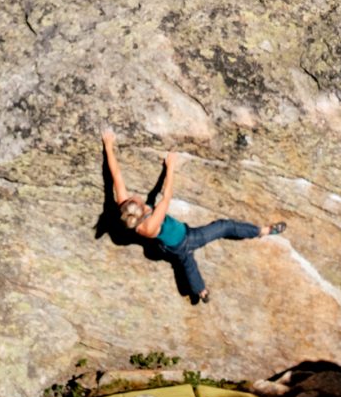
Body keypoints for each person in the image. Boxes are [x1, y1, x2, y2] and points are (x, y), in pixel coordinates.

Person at [101, 128, 285, 303]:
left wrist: (108, 146)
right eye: (137, 199)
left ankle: (201, 292)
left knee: (187, 264)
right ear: (141, 209)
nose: (134, 196)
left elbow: (116, 175)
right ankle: (263, 231)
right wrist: (170, 168)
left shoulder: (125, 209)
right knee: (223, 227)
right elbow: (166, 197)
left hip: (168, 245)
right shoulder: (149, 226)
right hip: (186, 239)